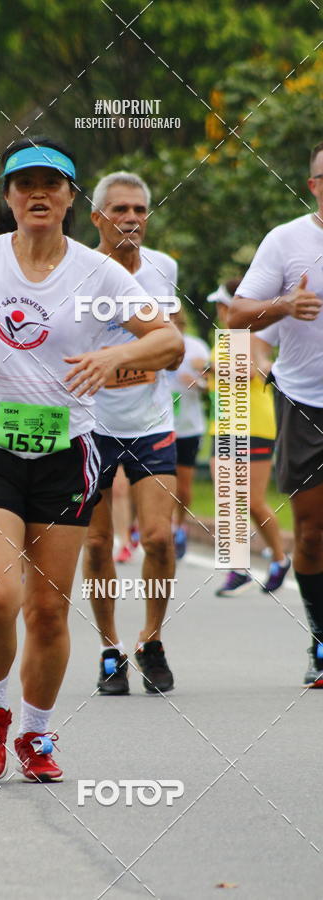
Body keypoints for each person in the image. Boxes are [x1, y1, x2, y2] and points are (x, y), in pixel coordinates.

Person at [0, 137, 183, 781]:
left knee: (48, 609)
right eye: (25, 185)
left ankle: (37, 736)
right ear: (9, 196)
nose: (37, 194)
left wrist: (112, 358)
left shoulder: (99, 275)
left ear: (71, 198)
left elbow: (170, 342)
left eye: (52, 184)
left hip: (66, 456)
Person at [82, 171, 183, 697]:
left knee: (160, 538)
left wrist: (142, 355)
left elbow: (176, 341)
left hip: (151, 423)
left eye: (140, 210)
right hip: (90, 426)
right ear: (98, 217)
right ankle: (109, 648)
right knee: (98, 543)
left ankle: (152, 639)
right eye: (120, 210)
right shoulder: (75, 272)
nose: (131, 219)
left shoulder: (163, 268)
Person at [228, 140, 323, 686]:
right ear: (313, 185)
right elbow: (236, 314)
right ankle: (320, 636)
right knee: (310, 532)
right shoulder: (286, 241)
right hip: (304, 401)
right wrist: (285, 305)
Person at [208, 282, 290, 597]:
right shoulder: (224, 336)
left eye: (223, 305)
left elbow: (252, 372)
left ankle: (280, 559)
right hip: (223, 426)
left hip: (253, 424)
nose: (220, 310)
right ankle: (237, 568)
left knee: (252, 501)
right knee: (226, 496)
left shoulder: (253, 334)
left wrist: (214, 367)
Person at [167, 305, 209, 560]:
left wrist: (198, 382)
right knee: (159, 483)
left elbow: (210, 387)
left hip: (189, 427)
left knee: (183, 487)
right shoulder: (150, 343)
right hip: (159, 427)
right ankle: (157, 527)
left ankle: (178, 526)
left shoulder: (196, 347)